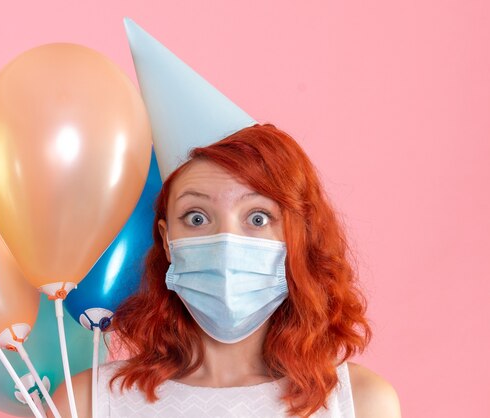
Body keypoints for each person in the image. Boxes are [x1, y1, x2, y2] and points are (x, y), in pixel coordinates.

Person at [71, 124, 401, 417]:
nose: (225, 242)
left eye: (257, 218)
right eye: (196, 217)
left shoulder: (360, 403)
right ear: (167, 241)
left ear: (294, 238)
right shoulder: (89, 403)